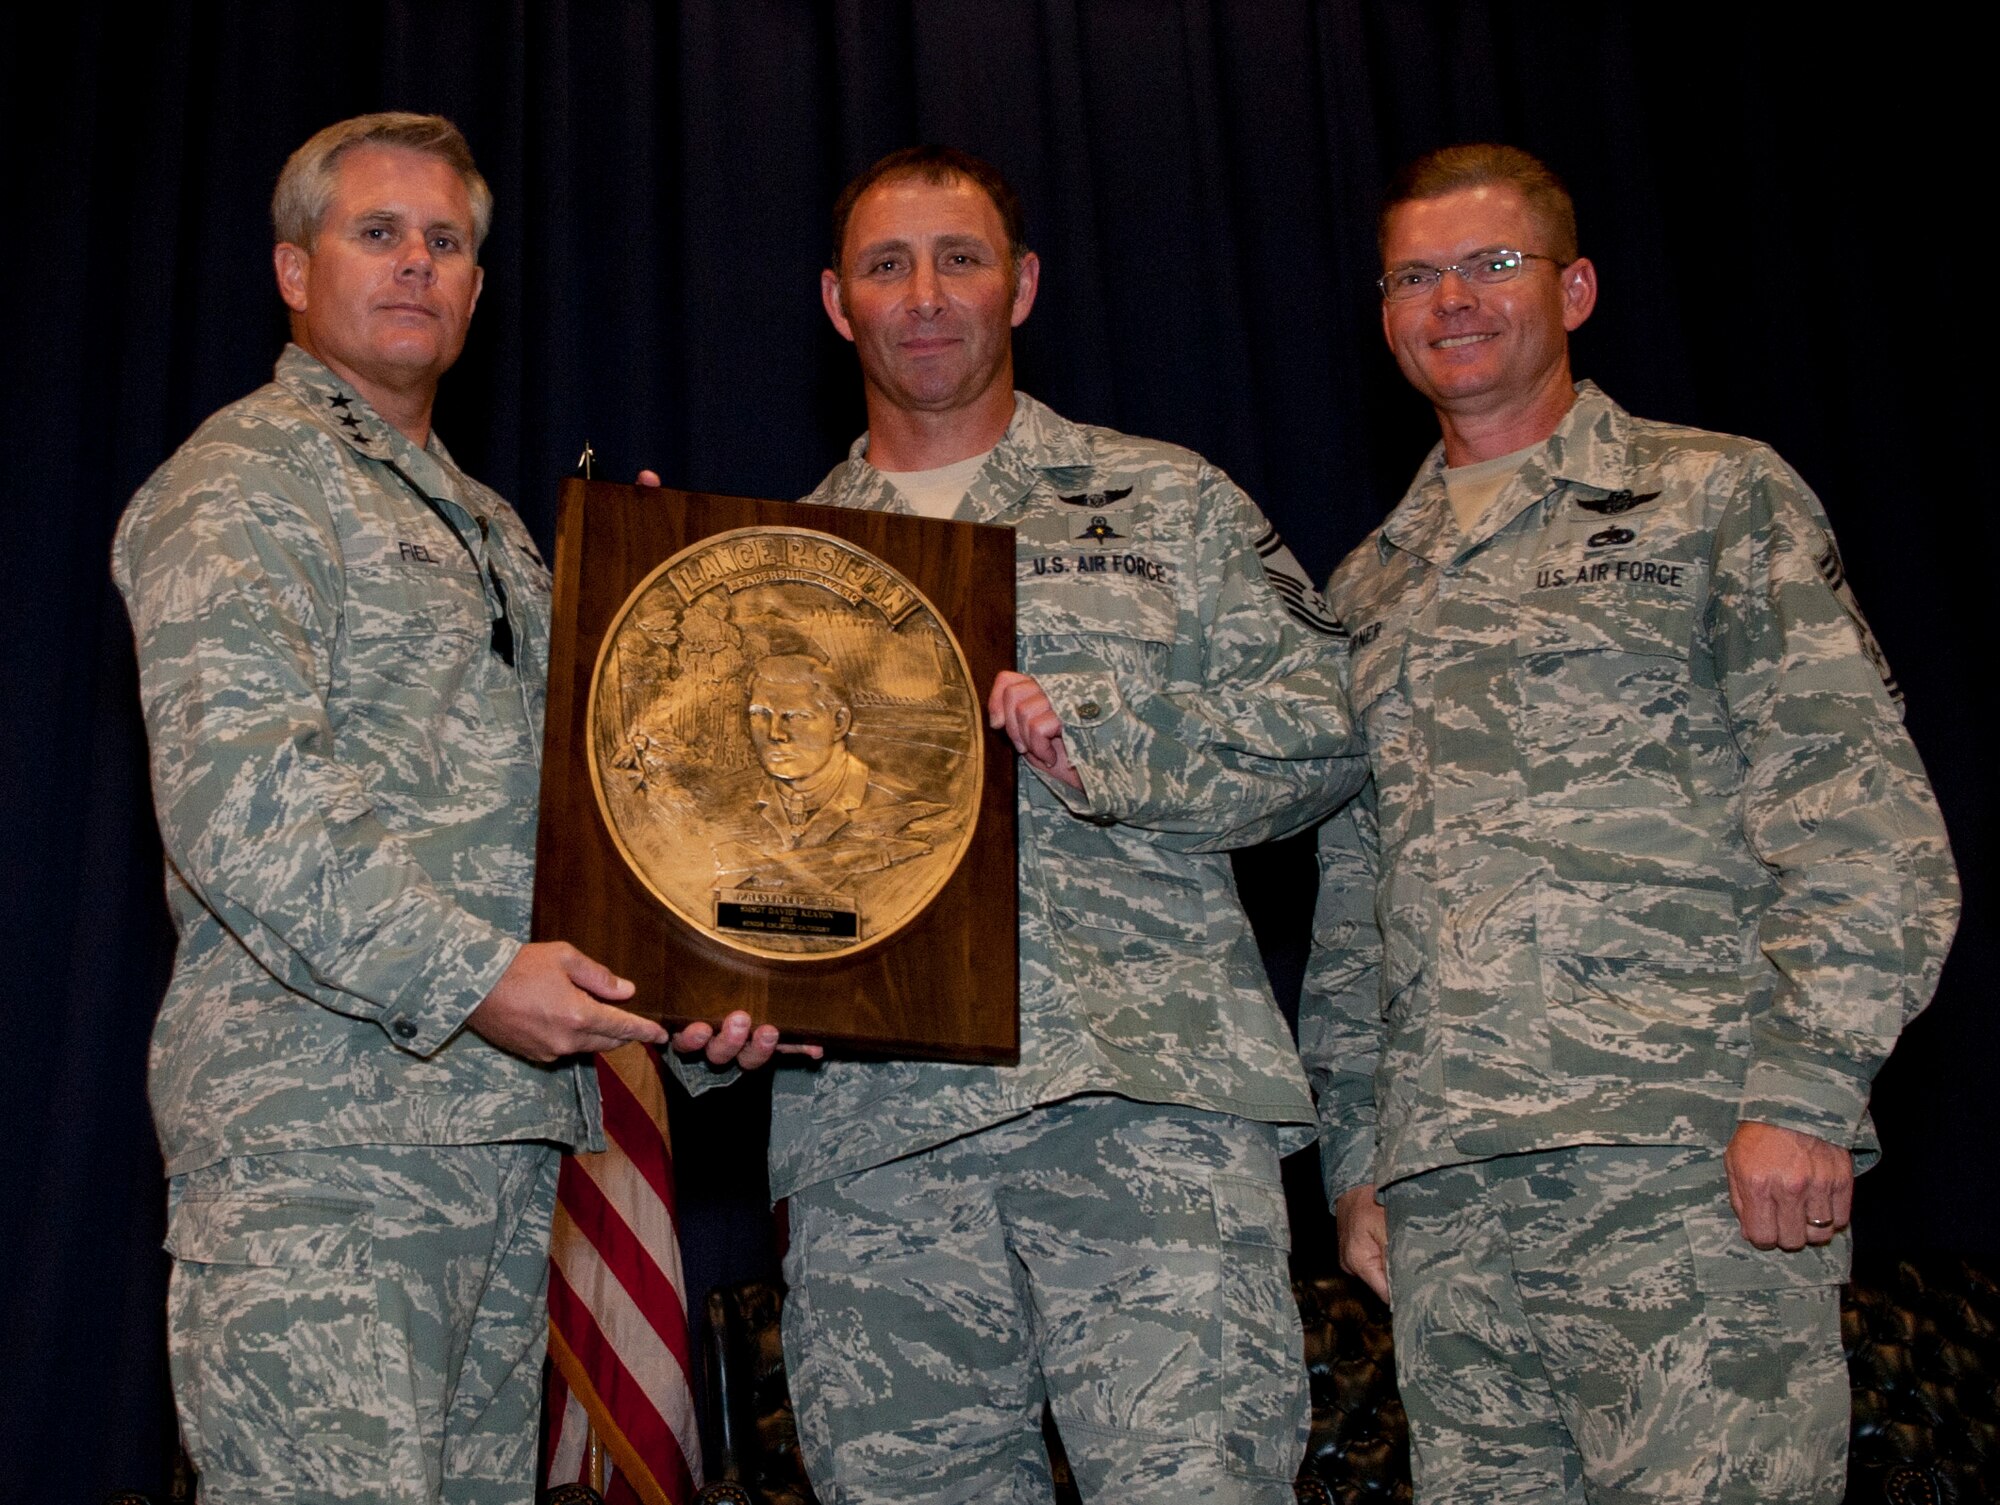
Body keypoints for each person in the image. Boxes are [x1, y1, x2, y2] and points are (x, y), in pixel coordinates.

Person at [670, 145, 1366, 1503]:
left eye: (961, 258)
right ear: (835, 302)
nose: (925, 296)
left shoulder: (1169, 504)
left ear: (1024, 283)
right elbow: (703, 865)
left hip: (1146, 1119)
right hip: (879, 1155)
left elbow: (1328, 729)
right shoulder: (762, 567)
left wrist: (1100, 740)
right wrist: (714, 1004)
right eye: (887, 265)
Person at [1299, 143, 1960, 1503]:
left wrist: (1805, 1091)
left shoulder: (1717, 497)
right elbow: (1355, 895)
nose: (1454, 297)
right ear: (1385, 314)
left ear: (1577, 285)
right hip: (1454, 1200)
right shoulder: (1367, 584)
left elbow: (1858, 811)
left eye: (1494, 261)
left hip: (1689, 1164)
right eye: (1416, 275)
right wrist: (1361, 1159)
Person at [112, 113, 669, 1505]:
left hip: (494, 1139)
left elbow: (583, 828)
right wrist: (480, 976)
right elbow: (244, 802)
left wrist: (662, 620)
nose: (418, 262)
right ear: (296, 272)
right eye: (380, 232)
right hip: (322, 1147)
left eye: (448, 240)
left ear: (479, 290)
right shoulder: (240, 484)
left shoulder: (494, 530)